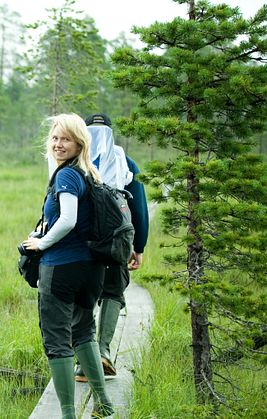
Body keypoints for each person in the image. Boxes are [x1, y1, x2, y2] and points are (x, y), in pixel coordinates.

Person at [22, 113, 114, 419]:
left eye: (66, 139)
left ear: (79, 143)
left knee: (57, 339)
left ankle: (67, 414)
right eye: (55, 138)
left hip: (61, 268)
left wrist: (42, 243)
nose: (58, 144)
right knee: (84, 332)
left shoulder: (66, 177)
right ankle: (103, 402)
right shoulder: (89, 173)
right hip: (90, 269)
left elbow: (68, 219)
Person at [74, 113, 150, 382]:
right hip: (117, 242)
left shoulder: (76, 162)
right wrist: (137, 246)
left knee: (84, 294)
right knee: (113, 291)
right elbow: (138, 208)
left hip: (82, 241)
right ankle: (103, 351)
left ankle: (84, 361)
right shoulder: (125, 162)